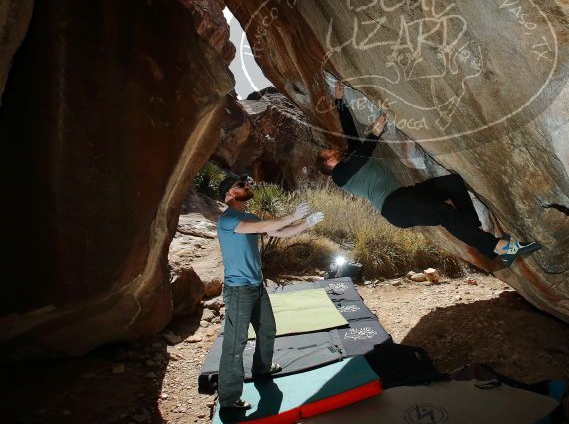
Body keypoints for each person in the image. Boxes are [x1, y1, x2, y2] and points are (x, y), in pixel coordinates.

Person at [317, 81, 541, 264]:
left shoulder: (351, 157)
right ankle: (500, 248)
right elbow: (362, 156)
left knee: (452, 184)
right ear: (328, 162)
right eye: (327, 150)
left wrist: (339, 100)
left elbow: (349, 131)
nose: (331, 147)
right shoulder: (340, 177)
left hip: (405, 195)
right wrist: (375, 132)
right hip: (394, 207)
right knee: (444, 213)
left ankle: (476, 232)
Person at [215, 173, 324, 412]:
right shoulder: (227, 220)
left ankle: (261, 369)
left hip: (256, 285)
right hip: (238, 290)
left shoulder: (249, 217)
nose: (247, 186)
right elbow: (265, 226)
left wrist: (308, 223)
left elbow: (279, 232)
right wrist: (294, 215)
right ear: (229, 194)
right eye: (240, 185)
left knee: (267, 329)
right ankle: (229, 398)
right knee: (236, 342)